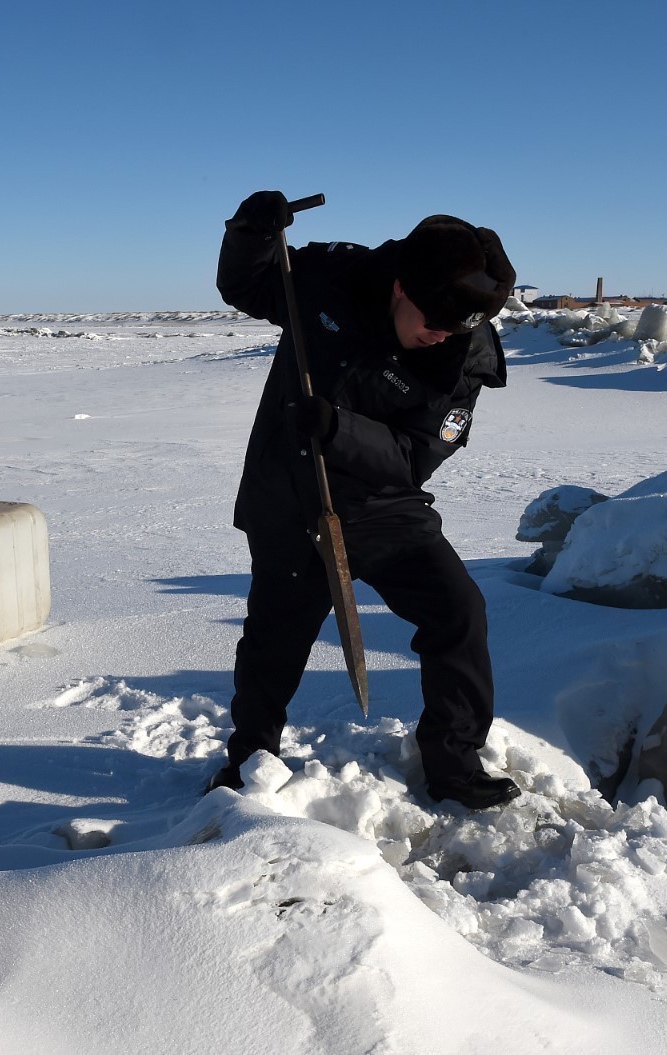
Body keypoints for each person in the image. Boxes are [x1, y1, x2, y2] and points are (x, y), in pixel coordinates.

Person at [209, 190, 520, 809]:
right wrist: (251, 232)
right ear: (401, 287)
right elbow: (251, 286)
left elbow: (413, 456)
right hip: (292, 498)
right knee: (274, 638)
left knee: (458, 612)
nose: (442, 337)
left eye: (460, 326)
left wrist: (338, 429)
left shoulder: (467, 352)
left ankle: (453, 765)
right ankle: (249, 764)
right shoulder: (333, 277)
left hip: (384, 507)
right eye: (434, 321)